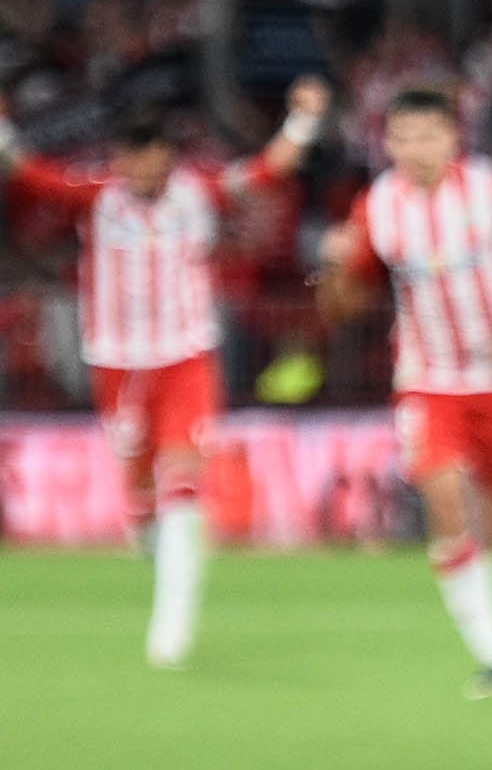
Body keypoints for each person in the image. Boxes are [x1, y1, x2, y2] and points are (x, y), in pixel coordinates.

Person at [0, 78, 329, 666]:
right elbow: (24, 171)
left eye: (156, 165)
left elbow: (266, 172)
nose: (146, 176)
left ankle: (171, 628)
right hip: (120, 366)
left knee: (183, 481)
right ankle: (163, 568)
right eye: (136, 164)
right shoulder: (95, 195)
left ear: (168, 160)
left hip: (185, 357)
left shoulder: (198, 192)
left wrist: (302, 121)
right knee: (142, 503)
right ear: (122, 160)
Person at [317, 88, 492, 693]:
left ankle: (488, 601)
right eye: (402, 137)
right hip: (427, 380)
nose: (415, 149)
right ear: (386, 143)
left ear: (453, 137)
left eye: (428, 135)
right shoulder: (377, 206)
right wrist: (328, 267)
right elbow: (344, 306)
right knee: (444, 501)